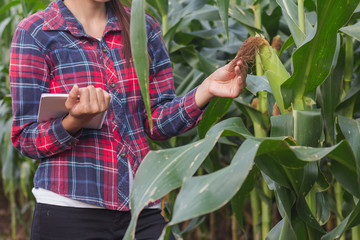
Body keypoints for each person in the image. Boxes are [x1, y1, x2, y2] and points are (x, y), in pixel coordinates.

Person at [9, 0, 247, 239]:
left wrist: (205, 90)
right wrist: (74, 120)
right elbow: (26, 138)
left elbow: (156, 122)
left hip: (141, 208)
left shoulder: (142, 26)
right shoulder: (36, 32)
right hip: (68, 210)